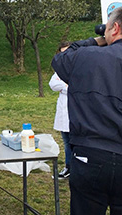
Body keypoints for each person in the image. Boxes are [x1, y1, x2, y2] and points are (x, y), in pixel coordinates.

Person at [51, 7, 122, 215]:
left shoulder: (88, 56)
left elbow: (60, 60)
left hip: (91, 154)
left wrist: (97, 40)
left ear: (115, 28)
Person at [49, 42, 72, 179]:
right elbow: (53, 84)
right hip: (64, 110)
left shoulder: (80, 66)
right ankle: (68, 167)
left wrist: (67, 86)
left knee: (77, 142)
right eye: (62, 53)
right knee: (66, 141)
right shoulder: (60, 70)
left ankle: (77, 168)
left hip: (77, 109)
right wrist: (66, 85)